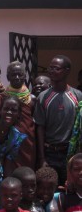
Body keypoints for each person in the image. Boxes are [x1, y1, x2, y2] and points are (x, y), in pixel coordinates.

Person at [34, 55, 82, 187]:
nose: (51, 71)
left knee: (71, 189)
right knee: (50, 191)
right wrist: (42, 158)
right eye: (50, 68)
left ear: (67, 71)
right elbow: (40, 127)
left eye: (56, 68)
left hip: (71, 153)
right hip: (50, 153)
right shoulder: (43, 97)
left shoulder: (77, 96)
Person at [0, 61, 36, 171]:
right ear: (7, 77)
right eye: (13, 74)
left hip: (27, 145)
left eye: (20, 74)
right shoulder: (0, 99)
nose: (17, 77)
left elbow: (35, 125)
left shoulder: (33, 99)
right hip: (7, 145)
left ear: (24, 76)